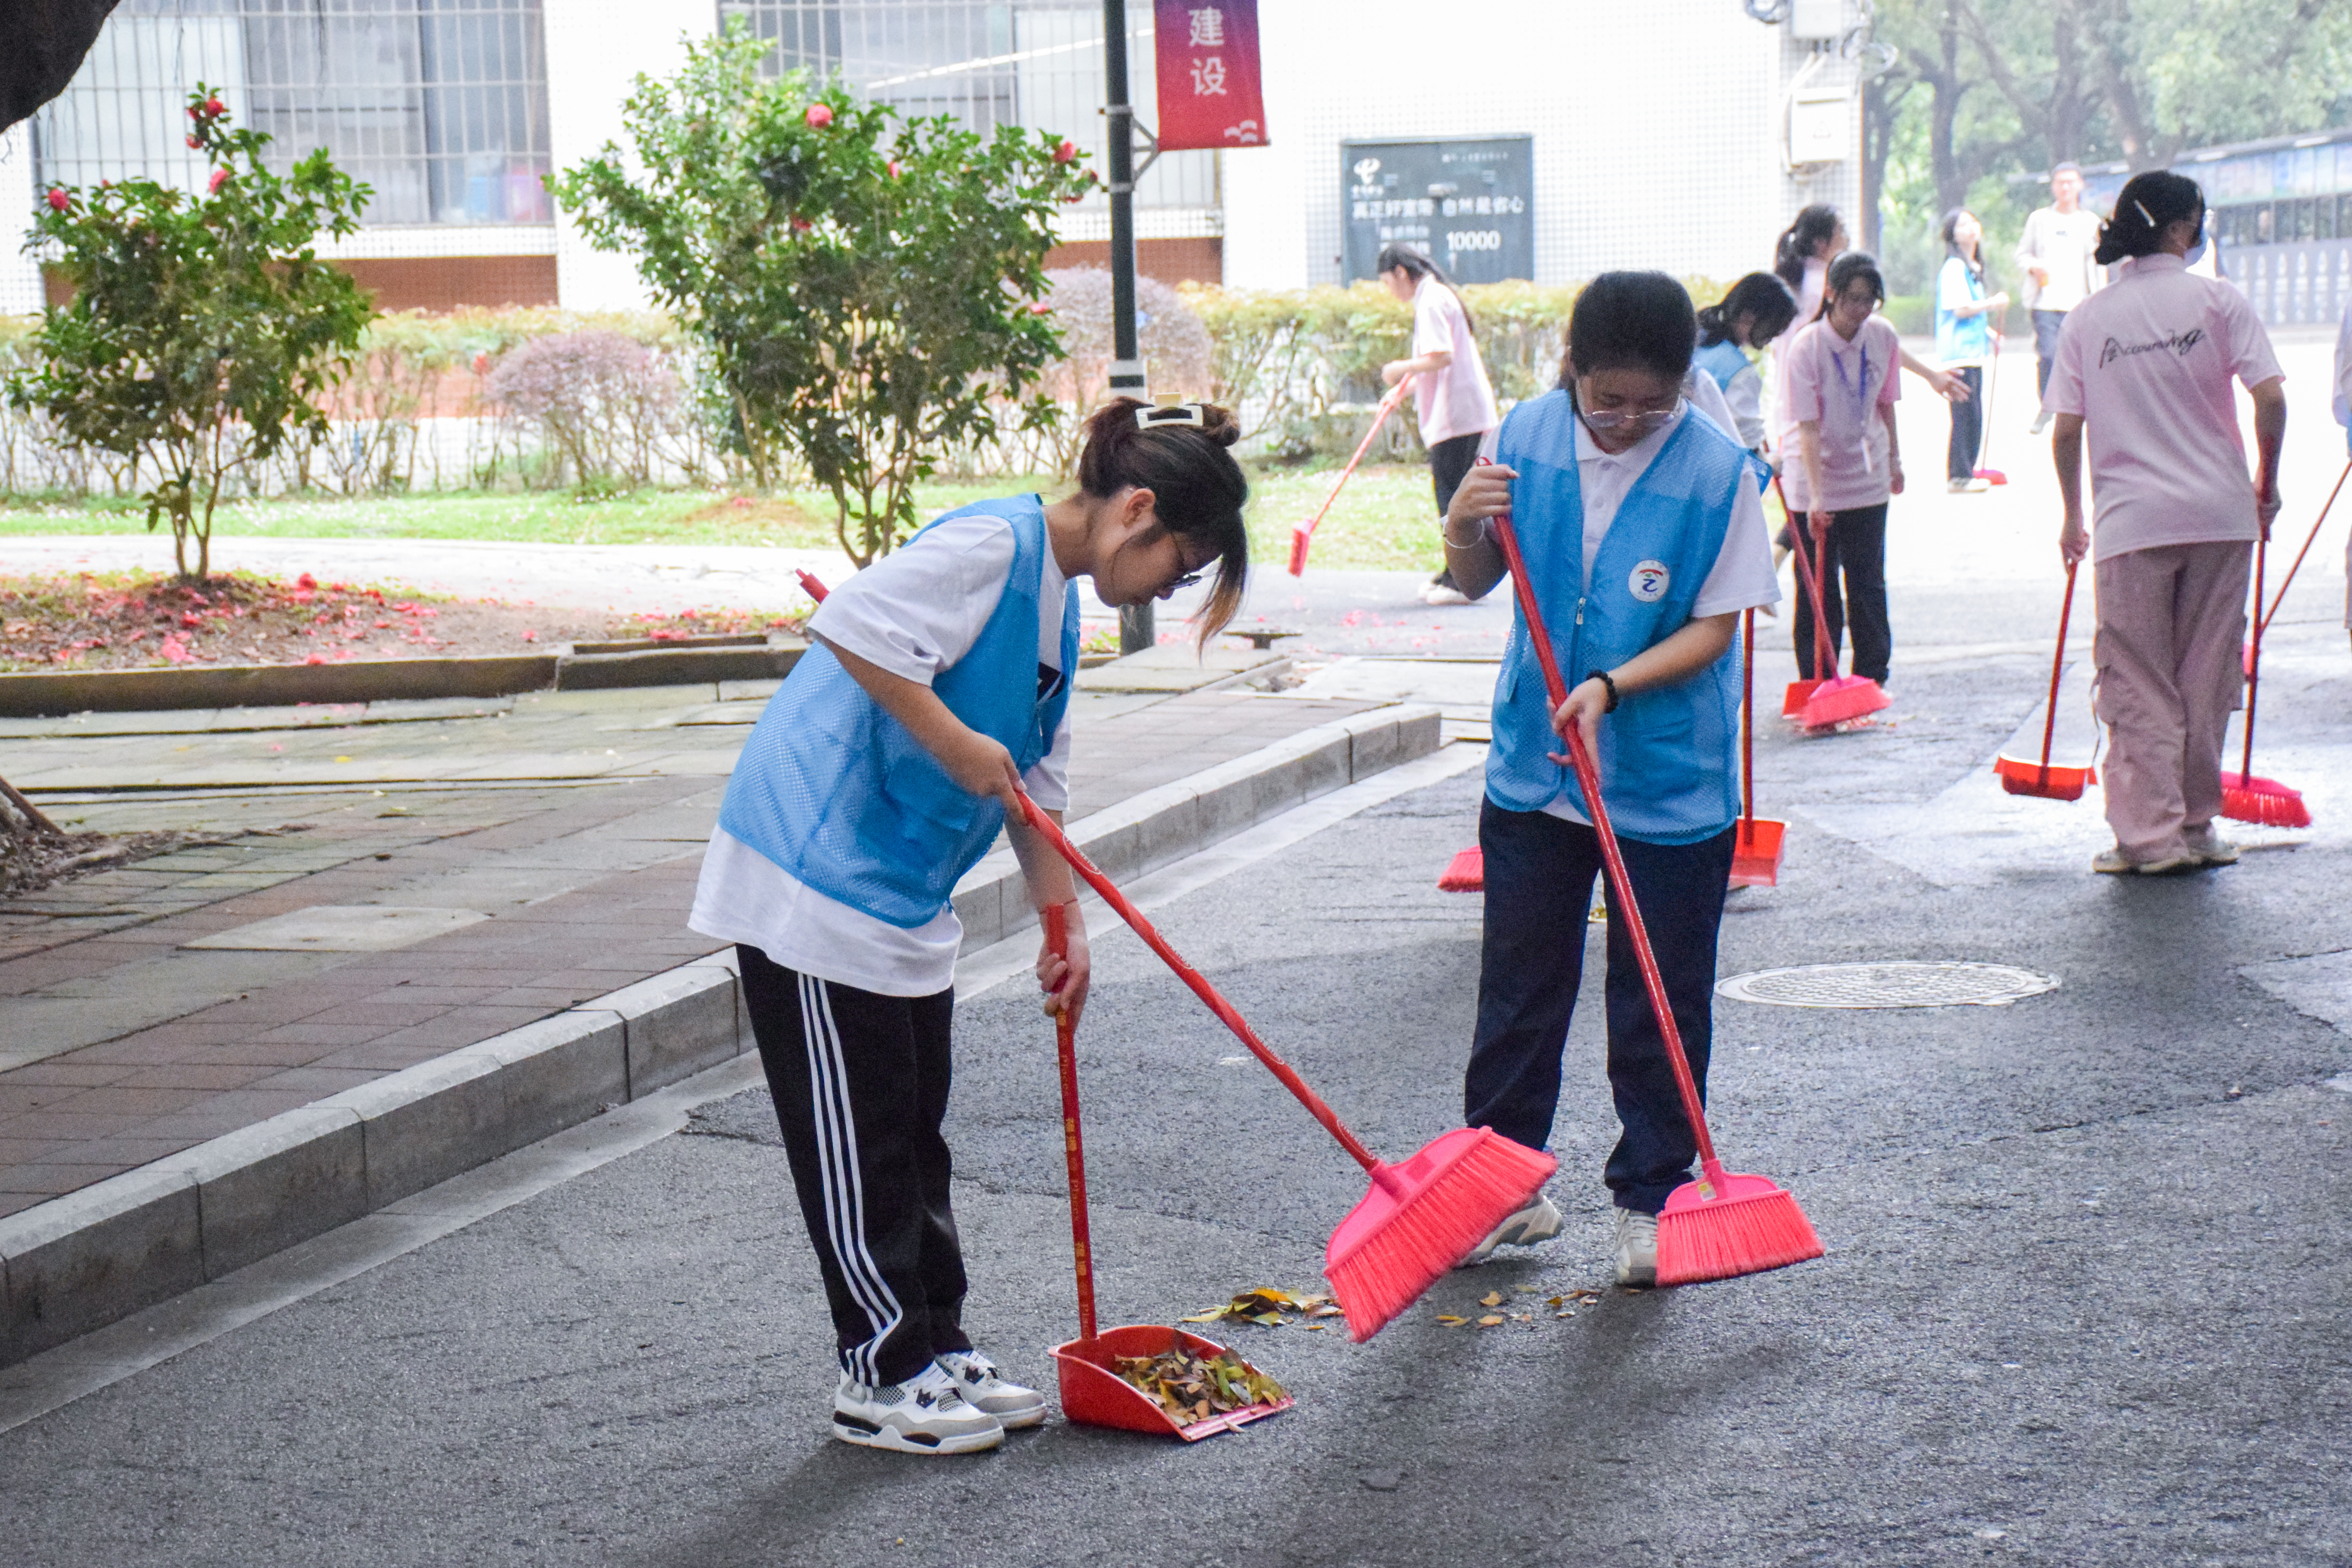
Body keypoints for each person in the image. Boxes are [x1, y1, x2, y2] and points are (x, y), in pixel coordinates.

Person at [690, 398, 1250, 1453]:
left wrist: (1061, 919)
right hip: (809, 876)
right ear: (1137, 509)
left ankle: (937, 1341)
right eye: (1177, 569)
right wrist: (953, 741)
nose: (1168, 592)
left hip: (900, 886)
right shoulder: (991, 544)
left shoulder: (1058, 606)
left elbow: (1035, 782)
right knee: (856, 1143)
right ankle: (881, 1370)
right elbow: (851, 623)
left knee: (912, 1132)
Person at [1434, 272, 1780, 1287]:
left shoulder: (1716, 469)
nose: (1628, 419)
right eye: (1608, 397)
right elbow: (1473, 575)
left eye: (1653, 400)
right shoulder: (1527, 434)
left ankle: (1651, 1192)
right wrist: (1461, 520)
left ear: (1683, 382)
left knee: (1662, 998)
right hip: (1536, 772)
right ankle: (1502, 1186)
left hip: (1669, 780)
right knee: (1519, 989)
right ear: (1572, 370)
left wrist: (1611, 686)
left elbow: (1717, 626)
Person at [2046, 171, 2285, 875]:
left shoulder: (2090, 319)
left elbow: (2065, 431)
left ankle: (2150, 838)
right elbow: (2269, 398)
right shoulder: (2218, 301)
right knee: (2206, 674)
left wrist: (2071, 514)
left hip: (2131, 524)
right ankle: (2196, 822)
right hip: (2219, 514)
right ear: (2182, 229)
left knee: (2138, 676)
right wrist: (2265, 481)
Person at [1779, 251, 1904, 688]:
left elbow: (1886, 403)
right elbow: (1808, 428)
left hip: (1866, 479)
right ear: (1830, 294)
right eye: (1852, 299)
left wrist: (1895, 459)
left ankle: (1871, 677)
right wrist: (1815, 497)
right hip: (1813, 479)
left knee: (1867, 582)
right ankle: (1818, 680)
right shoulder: (1807, 347)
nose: (1861, 310)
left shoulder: (1882, 336)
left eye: (1870, 300)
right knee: (1817, 587)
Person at [1377, 244, 1501, 606]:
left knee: (1453, 500)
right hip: (1461, 412)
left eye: (1388, 282)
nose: (1390, 291)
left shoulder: (1431, 299)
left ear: (1401, 273)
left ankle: (1461, 580)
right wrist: (1401, 391)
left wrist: (1399, 369)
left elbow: (1441, 356)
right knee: (1454, 496)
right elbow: (1439, 363)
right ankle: (1455, 573)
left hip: (1456, 415)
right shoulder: (1436, 295)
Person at [2017, 162, 2105, 433]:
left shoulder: (2090, 222)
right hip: (2046, 303)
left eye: (2071, 182)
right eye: (2060, 182)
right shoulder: (2040, 219)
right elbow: (2022, 254)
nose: (2065, 187)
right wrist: (2034, 266)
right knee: (2049, 354)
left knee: (2082, 358)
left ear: (2080, 185)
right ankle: (2048, 406)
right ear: (2053, 186)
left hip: (2080, 303)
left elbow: (2101, 261)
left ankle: (2081, 407)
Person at [1935, 210, 2010, 493]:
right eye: (1962, 224)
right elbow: (1960, 309)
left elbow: (1971, 314)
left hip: (1973, 350)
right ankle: (1959, 474)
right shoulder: (1954, 267)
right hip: (1959, 352)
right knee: (1965, 414)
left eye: (1973, 222)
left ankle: (1966, 470)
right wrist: (1994, 304)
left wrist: (1989, 333)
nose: (1971, 228)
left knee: (1973, 413)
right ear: (1952, 234)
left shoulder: (1971, 267)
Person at [1694, 271, 1801, 454]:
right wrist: (1768, 465)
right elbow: (1747, 440)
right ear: (1748, 317)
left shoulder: (1695, 337)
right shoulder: (1740, 372)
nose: (1774, 337)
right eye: (1773, 327)